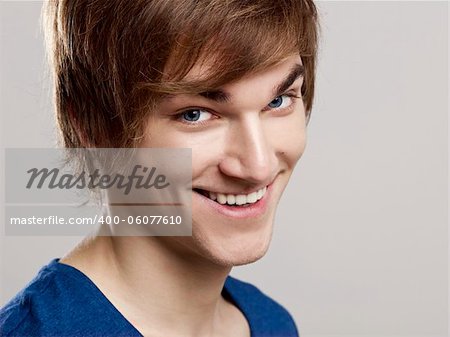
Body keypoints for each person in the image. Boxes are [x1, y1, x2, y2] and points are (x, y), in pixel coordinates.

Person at [0, 0, 320, 336]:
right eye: (194, 114)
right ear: (93, 129)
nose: (258, 166)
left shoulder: (271, 323)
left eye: (279, 100)